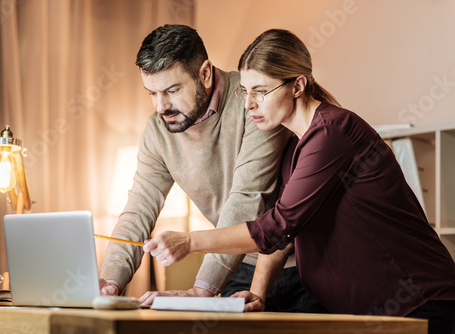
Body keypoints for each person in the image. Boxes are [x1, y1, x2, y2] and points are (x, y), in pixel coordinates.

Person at [144, 29, 455, 333]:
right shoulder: (296, 148)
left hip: (420, 303)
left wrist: (190, 242)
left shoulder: (332, 132)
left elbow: (278, 225)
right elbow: (285, 234)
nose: (249, 103)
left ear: (298, 86)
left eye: (260, 91)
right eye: (245, 91)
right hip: (375, 313)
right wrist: (258, 292)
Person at [99, 24, 326, 313]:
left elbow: (247, 198)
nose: (160, 106)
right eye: (151, 93)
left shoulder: (251, 102)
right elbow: (138, 209)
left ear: (205, 73)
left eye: (172, 90)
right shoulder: (158, 131)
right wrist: (110, 282)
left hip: (303, 265)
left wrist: (202, 289)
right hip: (238, 265)